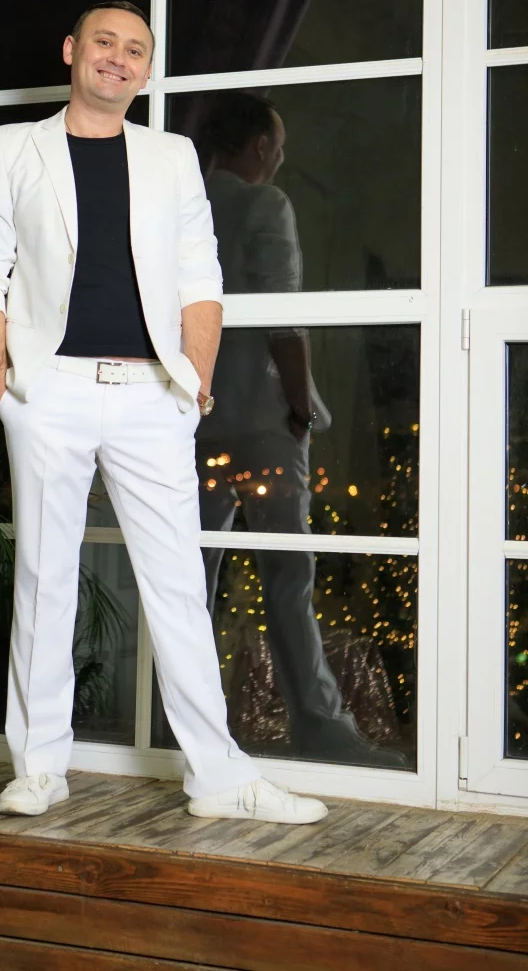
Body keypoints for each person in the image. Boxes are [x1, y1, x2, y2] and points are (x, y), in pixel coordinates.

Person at [0, 2, 327, 824]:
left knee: (179, 589)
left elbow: (201, 274)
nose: (118, 59)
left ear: (147, 71)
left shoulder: (172, 156)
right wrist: (2, 386)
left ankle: (219, 779)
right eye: (104, 43)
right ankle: (39, 769)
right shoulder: (11, 149)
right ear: (72, 51)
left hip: (152, 395)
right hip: (47, 389)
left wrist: (193, 380)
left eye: (135, 50)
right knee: (43, 580)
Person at [198, 91, 405, 767]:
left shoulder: (185, 205)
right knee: (288, 575)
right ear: (260, 145)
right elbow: (282, 314)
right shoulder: (266, 205)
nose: (282, 158)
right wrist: (301, 408)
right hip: (263, 423)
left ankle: (182, 722)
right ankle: (318, 726)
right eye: (279, 145)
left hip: (195, 423)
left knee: (190, 579)